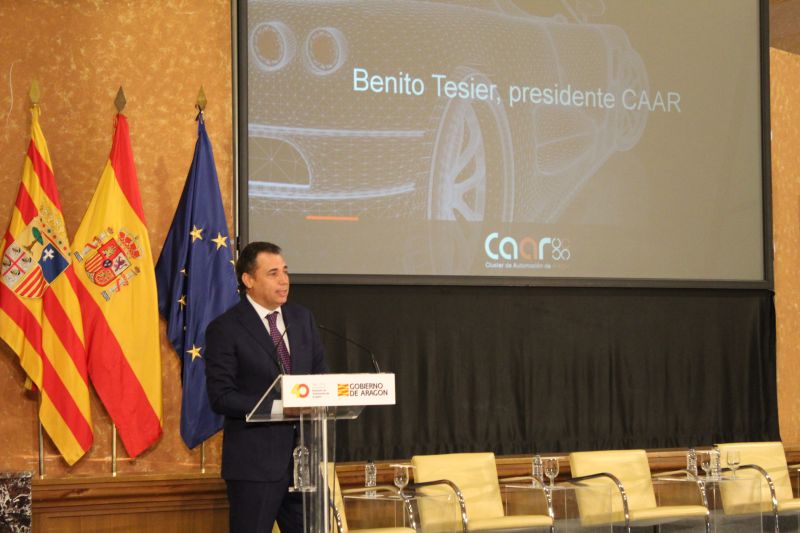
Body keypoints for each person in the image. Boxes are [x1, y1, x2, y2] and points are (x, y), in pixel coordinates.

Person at [205, 241, 327, 533]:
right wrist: (281, 407)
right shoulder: (226, 328)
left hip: (304, 462)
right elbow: (221, 397)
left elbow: (320, 376)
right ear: (248, 280)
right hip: (254, 466)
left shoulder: (302, 319)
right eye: (273, 273)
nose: (284, 280)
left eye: (285, 271)